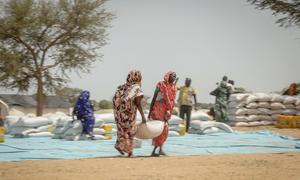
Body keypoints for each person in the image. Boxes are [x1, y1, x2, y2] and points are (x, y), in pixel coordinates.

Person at [112, 70, 146, 157]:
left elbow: (116, 99)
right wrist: (143, 116)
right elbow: (138, 103)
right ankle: (129, 151)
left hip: (118, 112)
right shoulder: (136, 87)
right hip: (128, 113)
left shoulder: (121, 87)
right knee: (131, 130)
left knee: (122, 130)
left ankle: (119, 145)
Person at [148, 71, 177, 156]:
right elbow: (154, 97)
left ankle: (159, 149)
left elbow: (171, 101)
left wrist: (169, 111)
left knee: (165, 130)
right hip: (158, 109)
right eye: (172, 76)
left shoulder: (173, 87)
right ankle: (155, 150)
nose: (174, 78)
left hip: (166, 111)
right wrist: (150, 112)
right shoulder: (161, 84)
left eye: (175, 76)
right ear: (168, 76)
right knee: (159, 129)